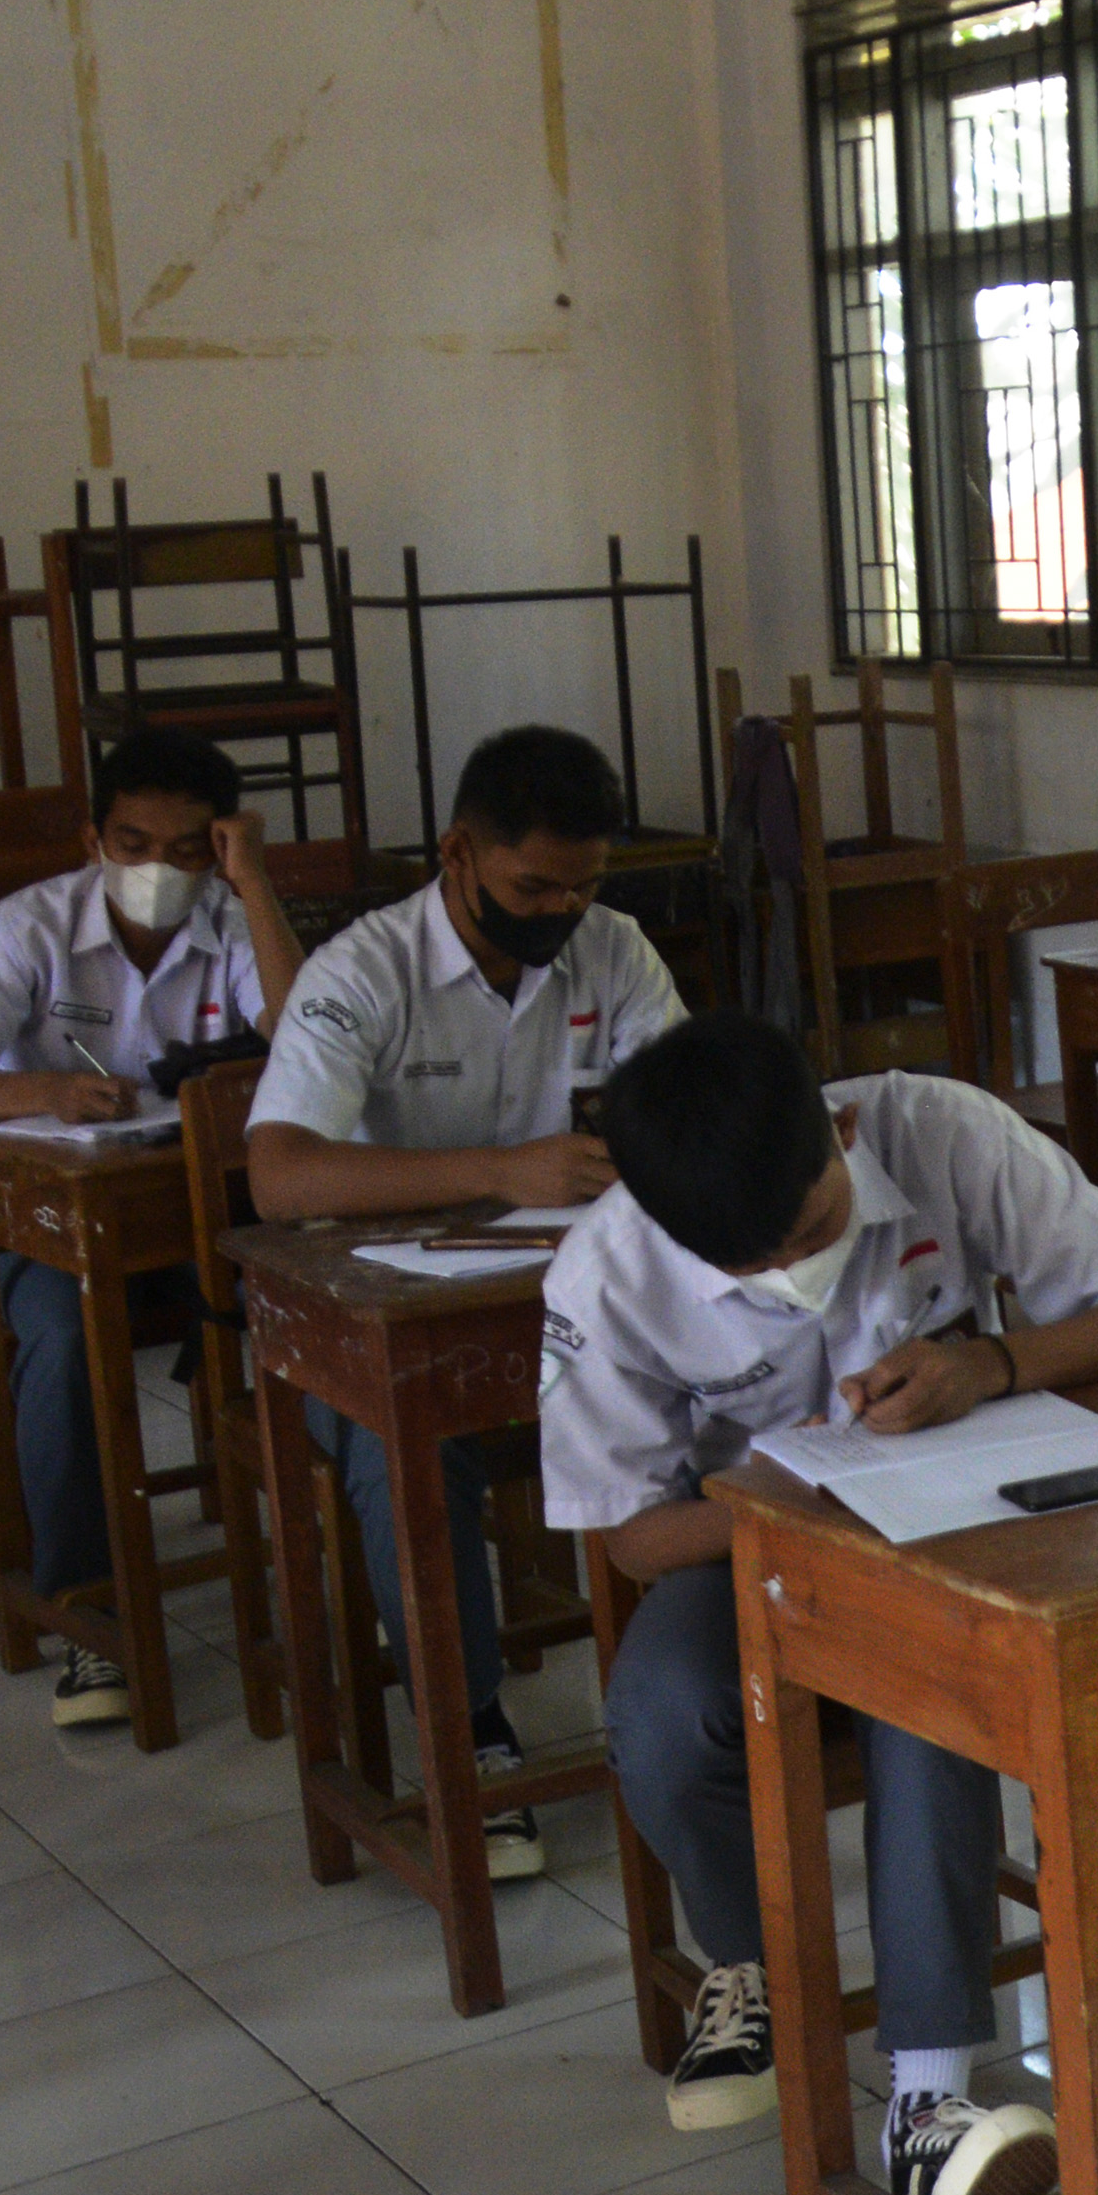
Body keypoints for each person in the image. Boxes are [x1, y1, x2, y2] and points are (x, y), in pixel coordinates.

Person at [541, 1013, 1098, 2195]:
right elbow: (635, 1536)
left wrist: (994, 1364)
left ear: (841, 1130)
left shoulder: (937, 1128)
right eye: (750, 1270)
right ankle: (749, 1964)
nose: (794, 1272)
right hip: (748, 1544)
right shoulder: (603, 1270)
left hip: (961, 1520)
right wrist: (806, 1493)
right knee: (659, 1714)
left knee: (923, 1673)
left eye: (810, 1232)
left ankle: (925, 2096)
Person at [249, 726, 685, 1875]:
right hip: (388, 1322)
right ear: (457, 851)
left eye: (585, 885)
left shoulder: (614, 949)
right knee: (406, 1449)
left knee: (725, 1387)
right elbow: (282, 1173)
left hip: (571, 1305)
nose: (561, 910)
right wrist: (501, 1170)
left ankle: (692, 1720)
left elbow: (680, 1109)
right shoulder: (360, 973)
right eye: (534, 884)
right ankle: (475, 1733)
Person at [0, 725, 307, 1724]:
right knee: (57, 1338)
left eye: (186, 851)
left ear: (217, 846)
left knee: (324, 1310)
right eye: (133, 844)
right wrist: (44, 1087)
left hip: (199, 1217)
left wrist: (253, 884)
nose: (156, 871)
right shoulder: (26, 929)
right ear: (95, 838)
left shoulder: (233, 916)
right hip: (63, 1220)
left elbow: (307, 1039)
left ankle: (337, 1587)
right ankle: (88, 1611)